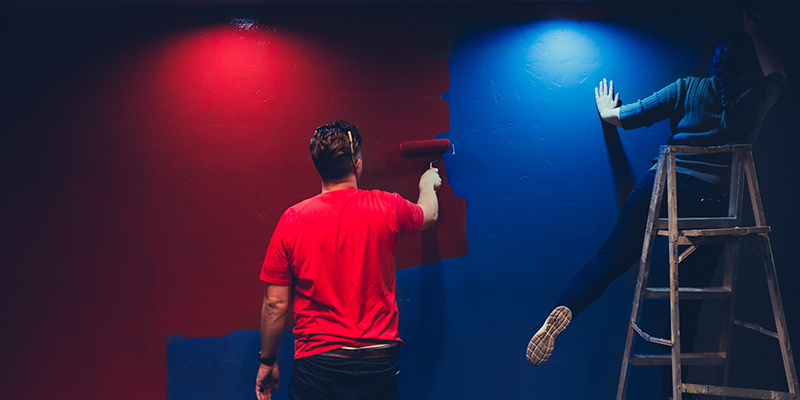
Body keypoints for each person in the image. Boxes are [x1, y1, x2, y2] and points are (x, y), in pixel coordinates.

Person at [526, 11, 787, 399]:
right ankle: (673, 392)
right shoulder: (754, 99)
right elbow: (779, 77)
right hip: (711, 205)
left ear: (714, 60)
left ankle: (566, 308)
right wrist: (755, 34)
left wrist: (605, 110)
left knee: (612, 256)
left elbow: (623, 118)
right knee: (689, 301)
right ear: (745, 66)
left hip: (663, 185)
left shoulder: (687, 88)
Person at [255, 120, 442, 400]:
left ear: (319, 167)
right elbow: (429, 214)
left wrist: (267, 362)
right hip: (377, 360)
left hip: (319, 362)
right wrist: (427, 184)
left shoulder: (292, 220)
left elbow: (275, 304)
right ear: (357, 164)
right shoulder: (386, 205)